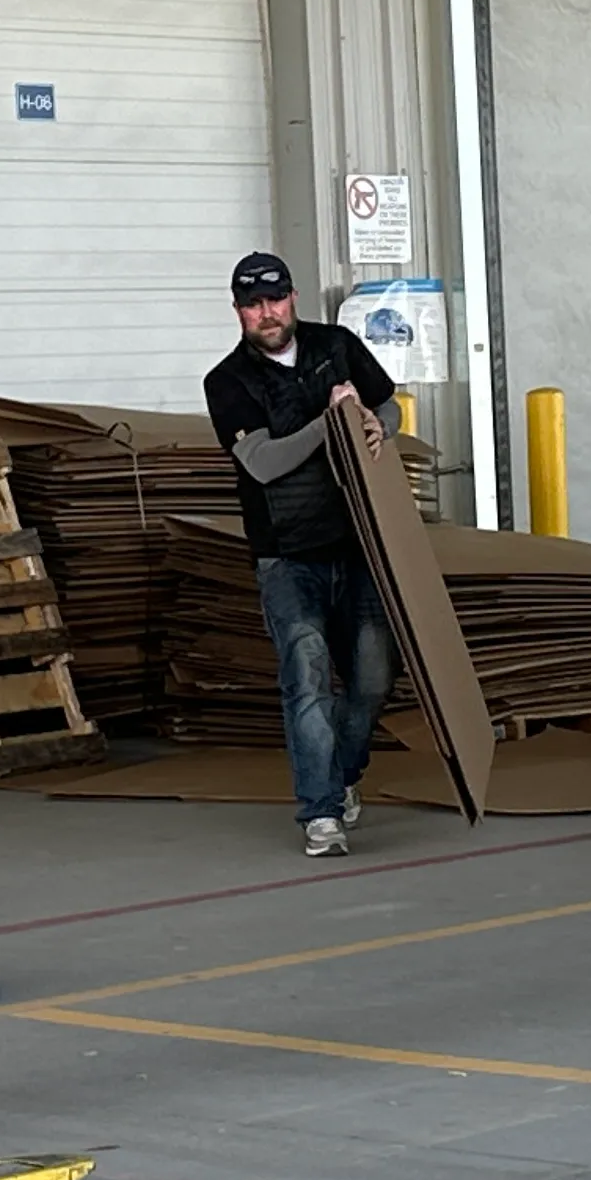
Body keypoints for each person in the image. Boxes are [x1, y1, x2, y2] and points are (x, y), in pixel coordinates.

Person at [201, 250, 401, 858]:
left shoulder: (336, 345)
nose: (268, 313)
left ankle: (339, 778)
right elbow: (262, 463)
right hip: (287, 558)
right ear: (238, 312)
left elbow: (387, 404)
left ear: (292, 296)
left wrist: (374, 422)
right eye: (253, 304)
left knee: (373, 676)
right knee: (308, 679)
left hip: (357, 542)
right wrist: (333, 418)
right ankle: (321, 814)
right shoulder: (228, 382)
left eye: (276, 299)